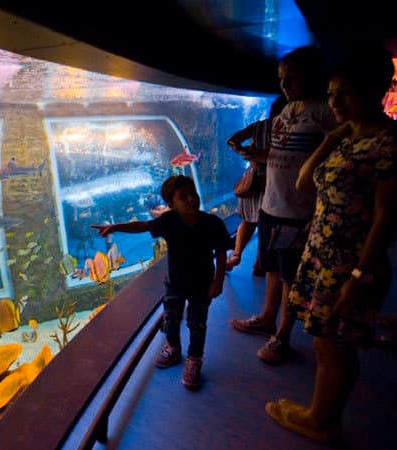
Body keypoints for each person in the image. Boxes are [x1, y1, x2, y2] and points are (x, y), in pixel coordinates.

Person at [265, 48, 396, 442]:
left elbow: (387, 218)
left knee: (337, 344)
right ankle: (321, 413)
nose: (335, 102)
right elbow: (306, 181)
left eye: (346, 94)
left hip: (351, 262)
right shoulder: (347, 136)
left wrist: (359, 274)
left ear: (378, 91)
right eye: (332, 93)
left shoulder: (388, 145)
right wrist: (335, 135)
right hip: (323, 254)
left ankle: (323, 422)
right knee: (325, 340)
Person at [229, 46, 337, 365]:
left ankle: (283, 336)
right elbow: (283, 155)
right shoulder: (287, 112)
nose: (284, 84)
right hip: (271, 206)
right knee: (272, 268)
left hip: (298, 211)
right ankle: (266, 319)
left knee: (291, 276)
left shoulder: (326, 114)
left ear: (313, 77)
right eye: (281, 78)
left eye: (291, 78)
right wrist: (255, 156)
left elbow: (329, 163)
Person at [92, 175, 231, 390]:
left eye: (192, 194)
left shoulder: (212, 223)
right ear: (171, 205)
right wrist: (116, 227)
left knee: (197, 324)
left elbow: (221, 253)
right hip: (175, 283)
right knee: (171, 319)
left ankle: (194, 359)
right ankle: (173, 348)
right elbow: (143, 226)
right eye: (183, 197)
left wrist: (218, 281)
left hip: (202, 284)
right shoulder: (169, 221)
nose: (191, 199)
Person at [226, 96, 287, 275]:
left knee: (248, 220)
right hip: (276, 180)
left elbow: (232, 140)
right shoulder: (288, 129)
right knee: (268, 223)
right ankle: (260, 263)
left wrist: (245, 153)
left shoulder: (259, 126)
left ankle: (236, 256)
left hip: (254, 179)